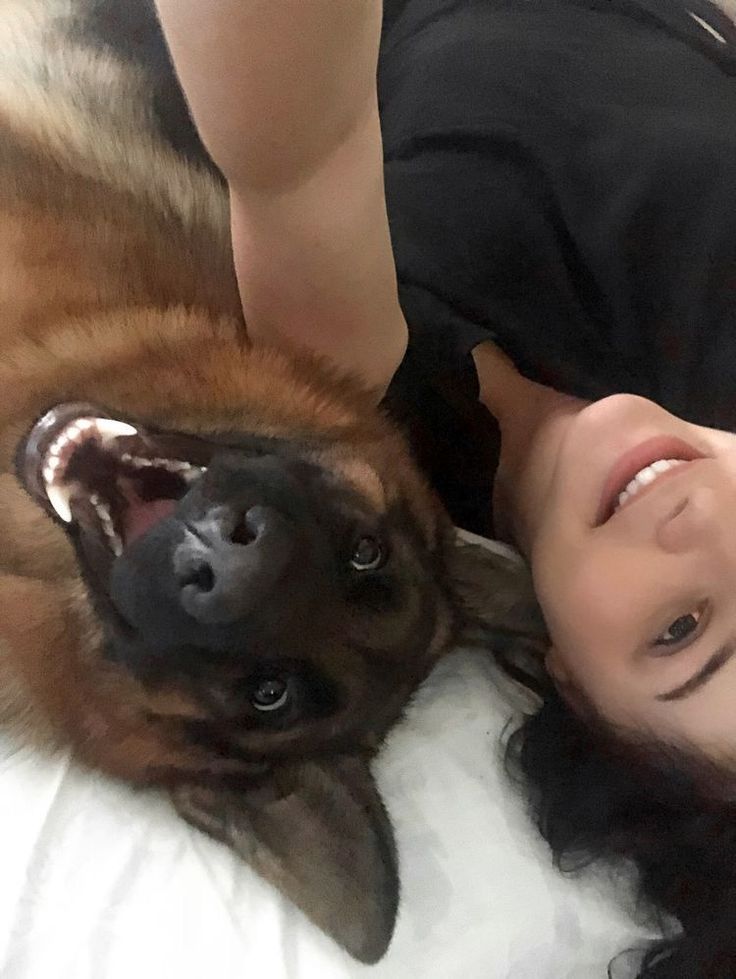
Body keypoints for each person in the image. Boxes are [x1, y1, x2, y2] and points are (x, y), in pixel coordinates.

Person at [153, 0, 736, 974]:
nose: (706, 520)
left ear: (570, 689)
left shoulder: (378, 477)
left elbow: (301, 158)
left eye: (680, 630)